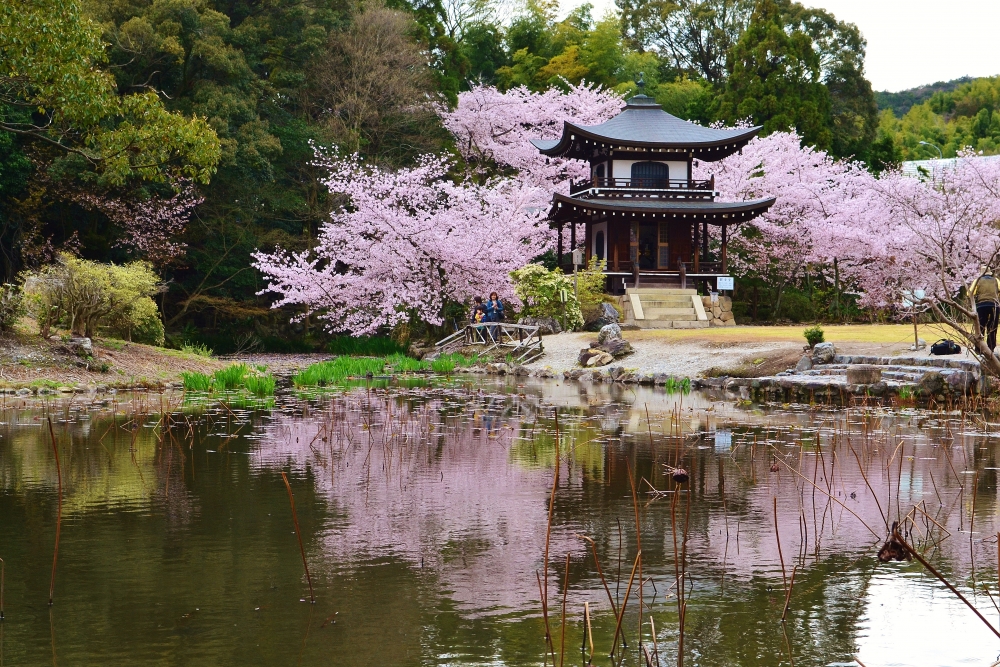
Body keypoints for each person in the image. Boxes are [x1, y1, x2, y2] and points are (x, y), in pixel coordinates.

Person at [971, 266, 1000, 351]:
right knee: (992, 327)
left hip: (981, 306)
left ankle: (979, 348)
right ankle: (991, 348)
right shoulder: (996, 280)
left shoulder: (977, 281)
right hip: (994, 305)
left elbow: (970, 293)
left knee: (980, 327)